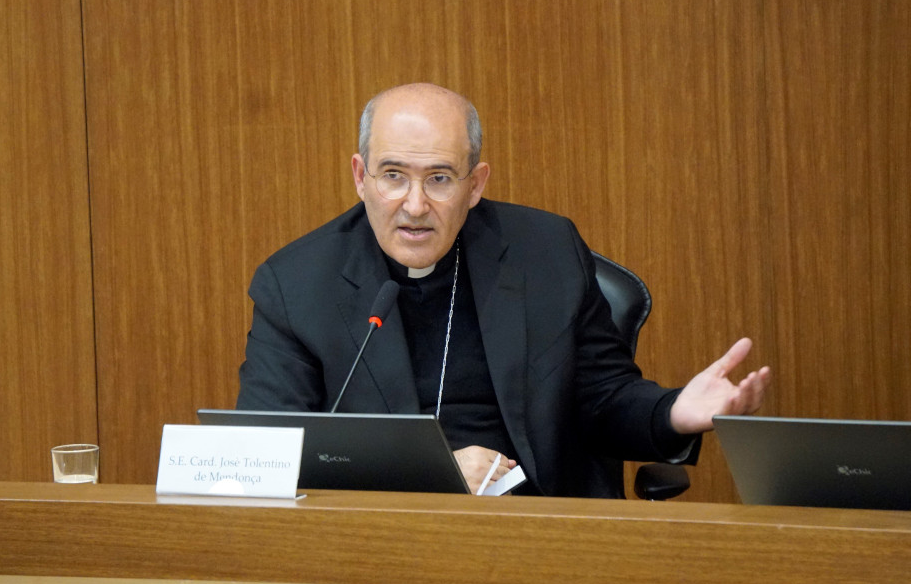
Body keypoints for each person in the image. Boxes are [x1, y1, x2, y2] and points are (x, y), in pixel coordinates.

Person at [237, 82, 771, 497]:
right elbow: (268, 447)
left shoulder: (545, 252)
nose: (415, 204)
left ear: (476, 184)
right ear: (360, 177)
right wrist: (434, 475)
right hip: (383, 529)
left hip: (538, 521)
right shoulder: (297, 282)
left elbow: (602, 400)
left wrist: (674, 412)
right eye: (393, 175)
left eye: (441, 178)